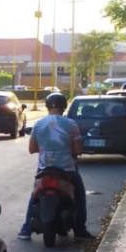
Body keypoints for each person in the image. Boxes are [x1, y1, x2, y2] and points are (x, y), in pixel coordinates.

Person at [18, 92, 92, 240]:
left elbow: (32, 149)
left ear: (47, 106)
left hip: (44, 168)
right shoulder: (71, 124)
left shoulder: (39, 124)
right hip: (67, 169)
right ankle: (80, 230)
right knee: (79, 195)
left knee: (35, 195)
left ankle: (26, 229)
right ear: (63, 107)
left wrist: (46, 148)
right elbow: (77, 150)